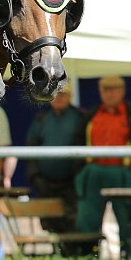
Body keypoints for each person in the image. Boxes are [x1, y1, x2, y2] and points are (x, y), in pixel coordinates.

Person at [74, 74, 131, 257]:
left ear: (122, 91)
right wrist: (80, 170)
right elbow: (78, 141)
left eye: (113, 89)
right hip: (93, 172)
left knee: (126, 216)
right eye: (105, 89)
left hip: (122, 172)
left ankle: (127, 253)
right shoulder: (92, 114)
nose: (109, 94)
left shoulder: (128, 114)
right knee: (87, 217)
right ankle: (88, 254)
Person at [26, 82, 83, 234]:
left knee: (73, 221)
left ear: (70, 96)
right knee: (49, 223)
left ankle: (72, 252)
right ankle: (55, 252)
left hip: (72, 184)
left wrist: (78, 178)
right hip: (45, 184)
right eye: (56, 94)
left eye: (63, 94)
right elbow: (30, 150)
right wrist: (35, 177)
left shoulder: (80, 118)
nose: (59, 98)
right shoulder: (41, 120)